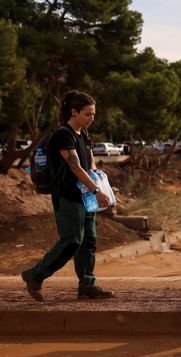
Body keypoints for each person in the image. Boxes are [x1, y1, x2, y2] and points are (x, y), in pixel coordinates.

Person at [21, 90, 113, 301]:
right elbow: (76, 168)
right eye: (88, 114)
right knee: (72, 240)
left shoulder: (84, 134)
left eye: (93, 114)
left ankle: (87, 285)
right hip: (68, 196)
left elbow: (89, 165)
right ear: (74, 112)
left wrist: (102, 186)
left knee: (88, 241)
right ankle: (34, 275)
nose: (92, 118)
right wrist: (96, 191)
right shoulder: (64, 134)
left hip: (85, 196)